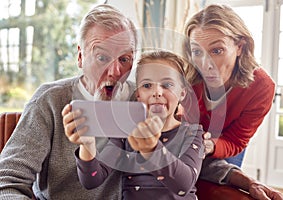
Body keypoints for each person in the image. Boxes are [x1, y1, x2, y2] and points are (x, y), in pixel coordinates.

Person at [0, 4, 137, 199]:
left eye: (124, 59)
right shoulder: (49, 100)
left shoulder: (143, 99)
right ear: (80, 56)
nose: (116, 71)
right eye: (102, 57)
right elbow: (7, 181)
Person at [63, 50, 205, 199]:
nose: (157, 92)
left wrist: (151, 150)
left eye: (167, 84)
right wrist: (87, 144)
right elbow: (92, 180)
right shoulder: (126, 131)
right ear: (138, 95)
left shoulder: (193, 133)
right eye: (147, 85)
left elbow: (184, 184)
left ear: (182, 93)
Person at [182, 4, 276, 165]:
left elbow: (236, 140)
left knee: (225, 185)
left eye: (217, 51)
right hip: (190, 139)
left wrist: (211, 145)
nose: (205, 64)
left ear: (240, 47)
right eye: (197, 52)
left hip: (227, 141)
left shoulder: (262, 87)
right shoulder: (186, 76)